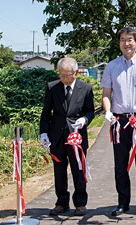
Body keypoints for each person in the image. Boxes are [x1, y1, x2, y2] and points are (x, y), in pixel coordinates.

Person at [101, 27, 136, 216]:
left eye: (130, 39)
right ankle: (122, 202)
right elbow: (106, 94)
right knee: (120, 163)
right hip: (119, 121)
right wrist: (108, 111)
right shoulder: (111, 66)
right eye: (123, 39)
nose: (127, 43)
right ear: (119, 43)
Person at [40, 57, 95, 216]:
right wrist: (44, 132)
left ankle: (80, 203)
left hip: (77, 136)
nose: (64, 79)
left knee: (78, 170)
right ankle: (61, 202)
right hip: (56, 136)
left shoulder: (85, 88)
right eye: (61, 75)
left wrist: (84, 120)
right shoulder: (52, 87)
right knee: (59, 170)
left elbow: (90, 111)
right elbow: (46, 112)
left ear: (76, 73)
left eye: (68, 75)